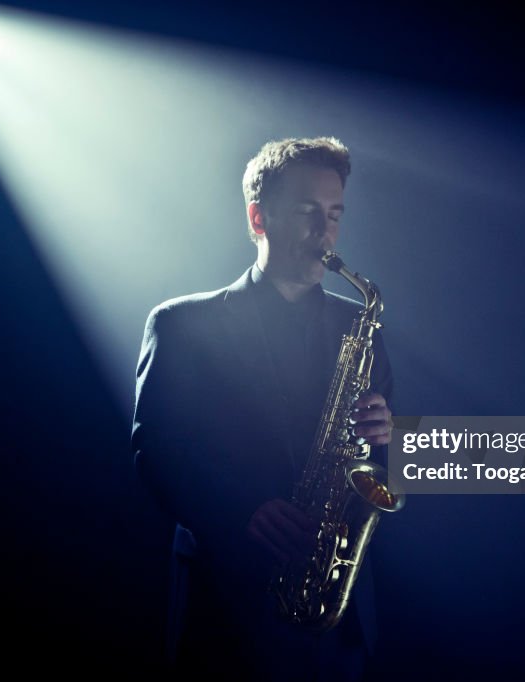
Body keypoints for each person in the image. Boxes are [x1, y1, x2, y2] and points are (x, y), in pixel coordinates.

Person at [131, 137, 394, 680]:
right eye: (306, 212)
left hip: (337, 618)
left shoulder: (360, 326)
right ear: (259, 217)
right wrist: (241, 509)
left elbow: (376, 468)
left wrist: (381, 437)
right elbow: (154, 454)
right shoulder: (180, 325)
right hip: (230, 606)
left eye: (334, 214)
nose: (325, 232)